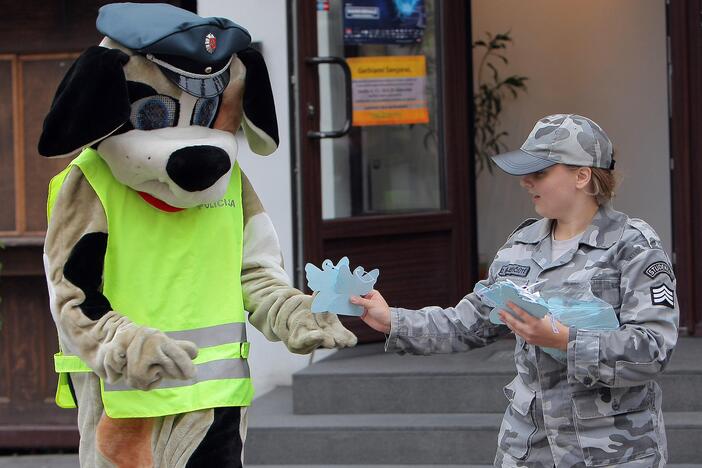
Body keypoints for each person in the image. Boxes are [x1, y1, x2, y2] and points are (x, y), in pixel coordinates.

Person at [351, 114, 679, 467]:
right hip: (529, 450)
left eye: (540, 172)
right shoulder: (520, 246)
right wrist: (392, 321)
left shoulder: (633, 247)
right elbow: (469, 322)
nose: (526, 182)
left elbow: (653, 349)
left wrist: (563, 339)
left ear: (582, 176)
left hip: (611, 453)